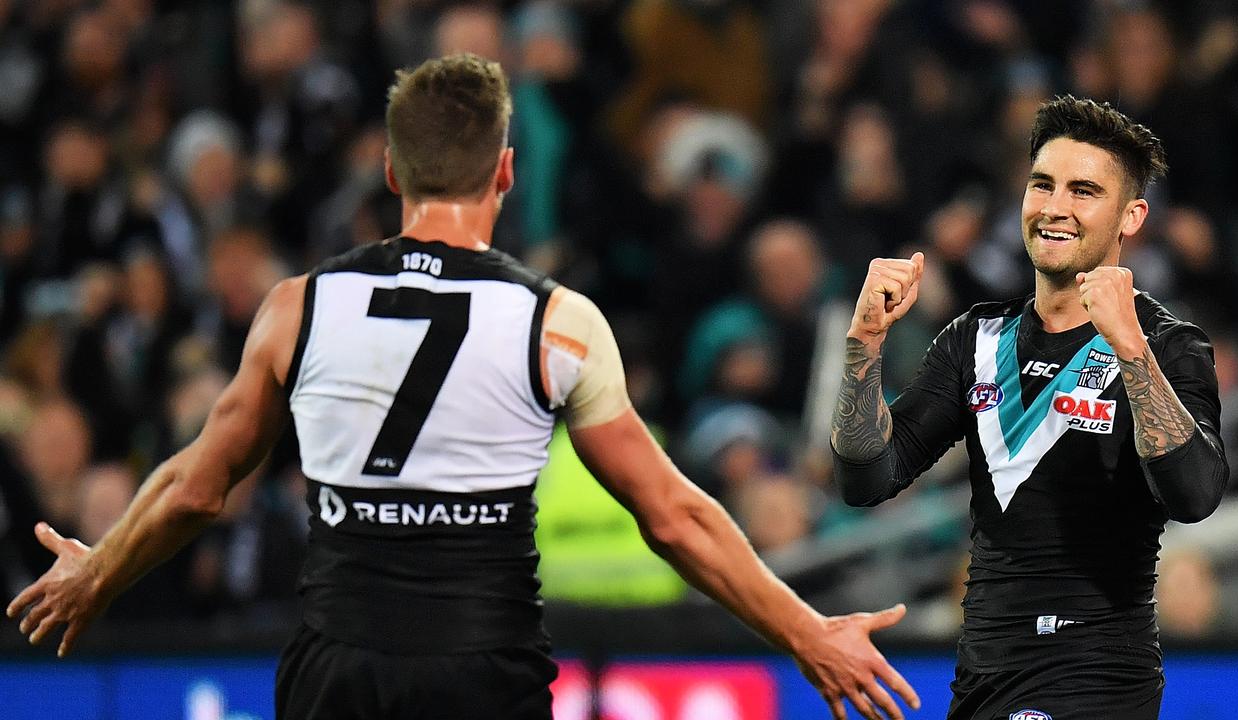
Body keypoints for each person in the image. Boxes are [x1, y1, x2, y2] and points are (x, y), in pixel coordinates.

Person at [8, 54, 920, 720]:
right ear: (507, 172)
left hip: (337, 673)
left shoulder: (299, 308)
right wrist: (806, 633)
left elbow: (196, 486)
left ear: (394, 173)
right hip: (481, 672)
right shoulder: (557, 322)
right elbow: (673, 517)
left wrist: (99, 569)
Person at [830, 94, 1229, 720]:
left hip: (1096, 678)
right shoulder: (975, 338)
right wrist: (863, 348)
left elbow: (1196, 495)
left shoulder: (1168, 347)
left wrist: (1130, 352)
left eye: (1083, 191)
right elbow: (867, 476)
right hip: (983, 678)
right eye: (1042, 184)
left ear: (1131, 217)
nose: (1055, 207)